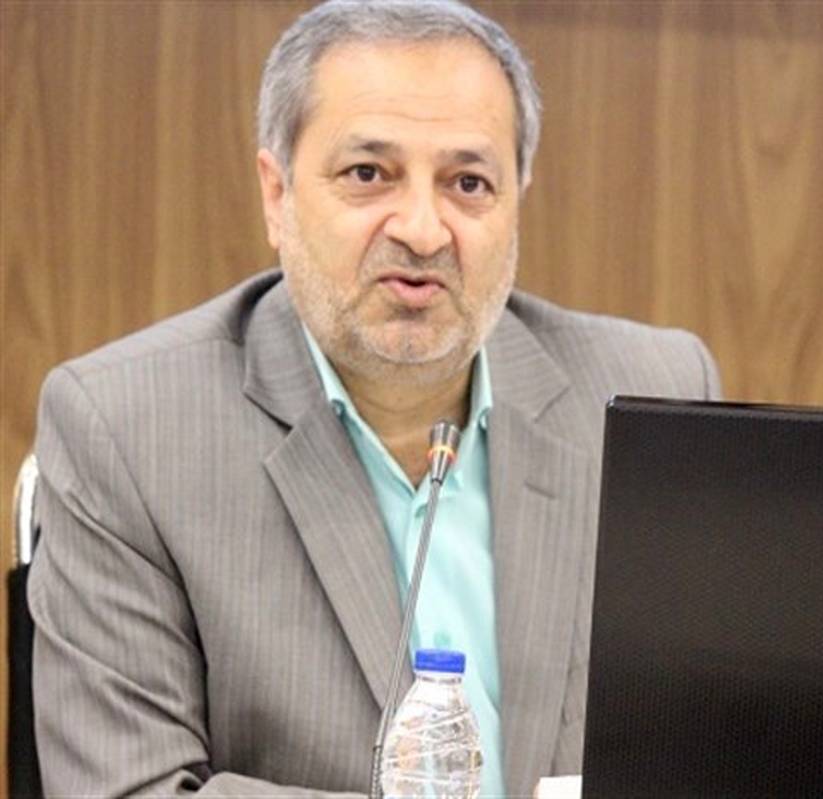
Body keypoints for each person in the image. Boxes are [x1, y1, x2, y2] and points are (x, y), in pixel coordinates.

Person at [27, 0, 720, 796]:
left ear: (517, 200)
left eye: (468, 183)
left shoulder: (653, 396)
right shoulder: (127, 429)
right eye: (369, 174)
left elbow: (724, 743)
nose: (423, 230)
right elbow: (129, 787)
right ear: (277, 194)